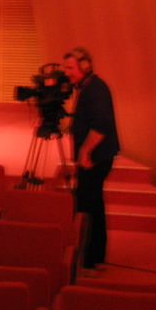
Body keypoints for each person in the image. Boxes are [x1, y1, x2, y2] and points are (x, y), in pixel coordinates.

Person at [62, 47, 120, 273]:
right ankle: (94, 256)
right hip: (96, 156)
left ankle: (88, 258)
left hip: (96, 158)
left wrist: (85, 152)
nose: (67, 72)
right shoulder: (87, 87)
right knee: (94, 203)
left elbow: (102, 125)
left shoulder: (95, 88)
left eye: (70, 68)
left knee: (88, 205)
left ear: (85, 67)